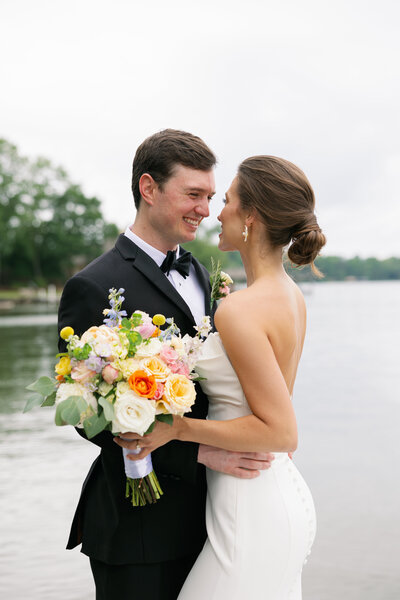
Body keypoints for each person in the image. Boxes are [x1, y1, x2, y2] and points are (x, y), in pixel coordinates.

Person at [58, 130, 274, 600]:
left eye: (212, 197)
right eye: (193, 194)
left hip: (216, 513)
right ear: (149, 188)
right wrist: (199, 452)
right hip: (137, 528)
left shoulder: (201, 272)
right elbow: (85, 417)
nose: (206, 209)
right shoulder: (92, 286)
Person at [116, 155, 326, 598]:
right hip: (274, 490)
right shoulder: (290, 294)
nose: (216, 211)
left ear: (250, 216)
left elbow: (282, 430)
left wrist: (179, 429)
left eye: (226, 200)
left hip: (248, 507)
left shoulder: (242, 309)